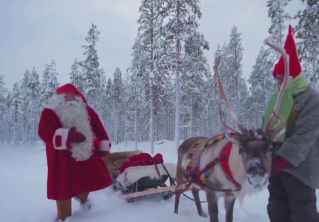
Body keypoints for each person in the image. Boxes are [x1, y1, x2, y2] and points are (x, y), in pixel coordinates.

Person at [262, 25, 319, 222]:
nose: (278, 82)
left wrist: (283, 160)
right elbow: (268, 130)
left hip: (301, 168)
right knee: (277, 208)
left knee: (303, 210)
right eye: (276, 78)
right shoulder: (278, 99)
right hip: (276, 165)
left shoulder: (310, 99)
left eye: (281, 77)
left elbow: (306, 134)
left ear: (292, 76)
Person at [38, 83, 113, 222]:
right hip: (61, 159)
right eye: (66, 96)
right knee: (63, 188)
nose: (70, 98)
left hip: (85, 155)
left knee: (86, 180)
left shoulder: (86, 110)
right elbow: (43, 132)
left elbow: (98, 127)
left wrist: (104, 145)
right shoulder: (49, 112)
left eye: (73, 95)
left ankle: (83, 200)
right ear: (59, 98)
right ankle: (63, 217)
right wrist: (66, 136)